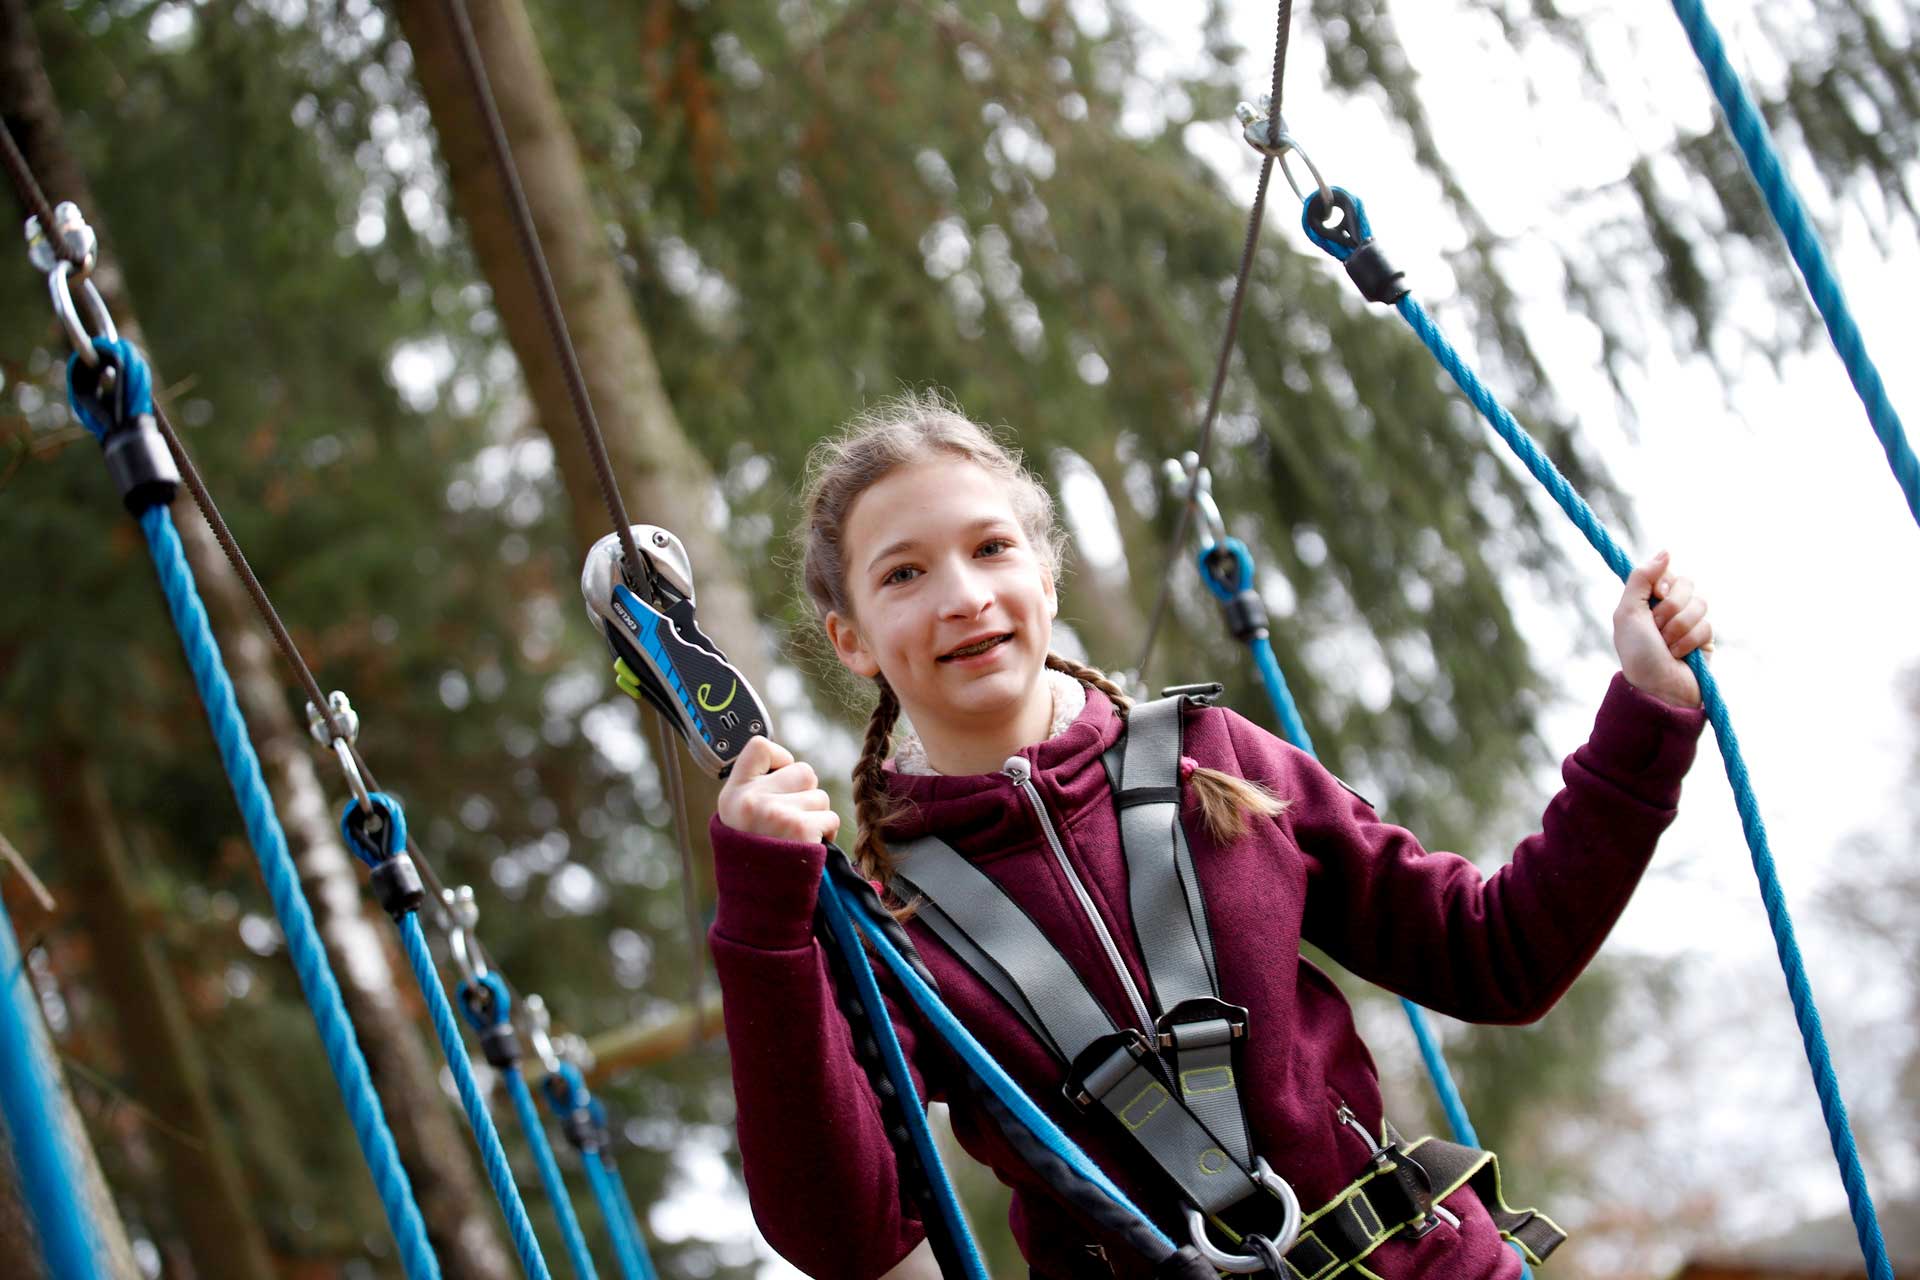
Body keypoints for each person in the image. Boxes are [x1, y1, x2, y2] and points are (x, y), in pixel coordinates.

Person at [707, 392, 1711, 1279]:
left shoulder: (1209, 757)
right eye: (904, 574)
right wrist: (763, 921)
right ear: (852, 640)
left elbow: (1492, 955)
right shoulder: (887, 920)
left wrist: (1646, 714)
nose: (964, 597)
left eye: (991, 548)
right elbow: (845, 1233)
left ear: (1046, 577)